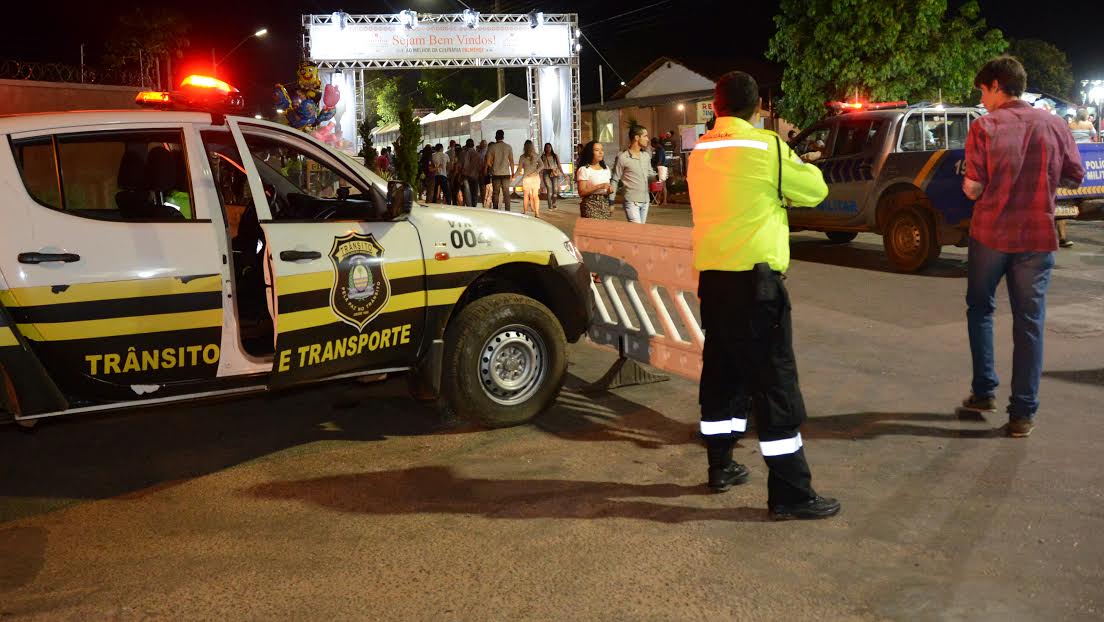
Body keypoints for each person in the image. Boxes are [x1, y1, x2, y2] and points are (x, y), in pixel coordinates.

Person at [687, 70, 839, 520]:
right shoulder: (768, 147)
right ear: (757, 109)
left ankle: (721, 467)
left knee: (722, 377)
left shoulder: (699, 151)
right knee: (774, 386)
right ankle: (791, 492)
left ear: (715, 108)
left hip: (713, 283)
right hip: (757, 288)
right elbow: (815, 191)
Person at [958, 56, 1084, 438]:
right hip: (1037, 235)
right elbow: (1074, 177)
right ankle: (1022, 414)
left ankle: (984, 391)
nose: (982, 99)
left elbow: (974, 187)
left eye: (983, 90)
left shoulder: (985, 127)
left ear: (997, 85)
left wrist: (971, 186)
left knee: (980, 308)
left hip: (991, 233)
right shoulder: (1054, 124)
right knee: (1029, 323)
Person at [610, 126, 657, 223]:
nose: (647, 139)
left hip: (645, 200)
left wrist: (658, 176)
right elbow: (615, 180)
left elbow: (649, 176)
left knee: (640, 234)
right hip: (631, 201)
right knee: (637, 231)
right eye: (645, 136)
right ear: (636, 138)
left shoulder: (646, 156)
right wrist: (611, 201)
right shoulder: (623, 157)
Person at [575, 141, 612, 219]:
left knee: (604, 230)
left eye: (602, 150)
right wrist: (599, 186)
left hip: (604, 203)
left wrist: (609, 190)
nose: (600, 152)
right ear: (590, 152)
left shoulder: (606, 169)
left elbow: (607, 188)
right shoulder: (584, 169)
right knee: (593, 229)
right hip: (590, 204)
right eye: (597, 150)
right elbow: (581, 192)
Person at [485, 130, 515, 211]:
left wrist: (493, 166)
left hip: (496, 174)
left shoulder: (492, 147)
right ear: (503, 137)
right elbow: (511, 161)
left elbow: (488, 161)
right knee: (506, 193)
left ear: (495, 137)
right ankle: (507, 210)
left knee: (496, 193)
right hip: (506, 173)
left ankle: (495, 210)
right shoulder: (508, 147)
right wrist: (512, 173)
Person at [517, 140, 545, 217]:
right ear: (532, 146)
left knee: (526, 195)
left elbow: (519, 169)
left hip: (526, 178)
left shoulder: (522, 157)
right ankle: (537, 213)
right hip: (535, 178)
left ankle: (525, 211)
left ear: (524, 147)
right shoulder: (536, 155)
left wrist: (514, 176)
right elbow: (542, 165)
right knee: (535, 196)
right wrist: (536, 171)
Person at [461, 139, 483, 207]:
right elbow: (480, 166)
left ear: (466, 144)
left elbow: (463, 165)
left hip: (466, 176)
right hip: (475, 176)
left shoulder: (464, 153)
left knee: (467, 193)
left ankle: (469, 207)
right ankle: (474, 206)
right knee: (474, 192)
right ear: (473, 145)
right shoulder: (477, 154)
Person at [540, 143, 562, 212]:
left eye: (549, 147)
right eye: (546, 147)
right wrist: (540, 174)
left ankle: (554, 203)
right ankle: (550, 206)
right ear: (545, 148)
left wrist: (563, 173)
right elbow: (540, 166)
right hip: (546, 172)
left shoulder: (555, 156)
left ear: (551, 148)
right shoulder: (543, 156)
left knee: (555, 189)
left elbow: (559, 165)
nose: (548, 148)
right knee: (549, 189)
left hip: (554, 172)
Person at [650, 136, 668, 205]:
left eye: (651, 143)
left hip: (661, 168)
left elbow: (659, 161)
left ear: (654, 143)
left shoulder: (659, 150)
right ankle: (659, 199)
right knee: (661, 184)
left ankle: (664, 201)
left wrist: (655, 168)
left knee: (662, 185)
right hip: (662, 167)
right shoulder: (659, 149)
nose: (651, 145)